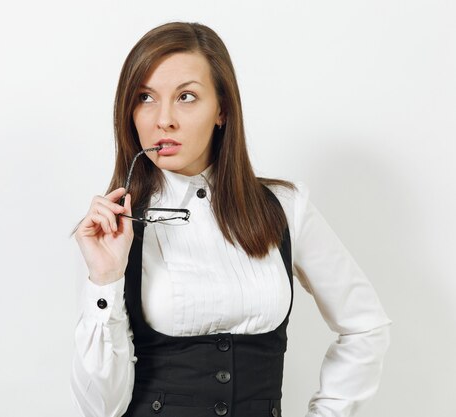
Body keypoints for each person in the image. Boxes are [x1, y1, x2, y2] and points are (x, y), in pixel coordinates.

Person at [69, 21, 391, 417]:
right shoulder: (117, 230)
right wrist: (105, 278)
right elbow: (100, 407)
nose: (163, 119)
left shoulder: (285, 206)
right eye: (145, 97)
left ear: (221, 110)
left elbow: (365, 326)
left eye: (186, 96)